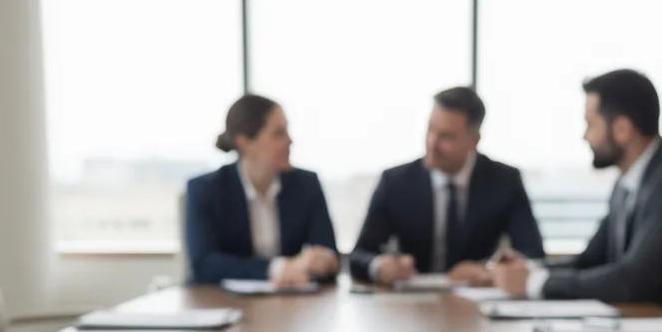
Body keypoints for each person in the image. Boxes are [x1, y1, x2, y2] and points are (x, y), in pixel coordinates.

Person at [490, 69, 662, 328]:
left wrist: (534, 282)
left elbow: (631, 280)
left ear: (622, 129)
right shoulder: (628, 183)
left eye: (590, 124)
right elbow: (590, 261)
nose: (585, 136)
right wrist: (525, 269)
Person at [348, 87, 545, 286]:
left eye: (446, 136)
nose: (432, 143)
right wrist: (380, 266)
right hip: (412, 298)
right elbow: (359, 256)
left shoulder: (505, 181)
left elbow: (533, 253)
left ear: (474, 141)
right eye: (430, 129)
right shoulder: (395, 182)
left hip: (476, 297)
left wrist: (488, 269)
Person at [185, 94, 340, 286]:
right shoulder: (206, 189)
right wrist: (277, 269)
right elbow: (203, 265)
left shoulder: (306, 185)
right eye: (278, 134)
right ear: (244, 143)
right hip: (223, 300)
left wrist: (321, 261)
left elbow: (328, 251)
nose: (290, 141)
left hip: (291, 300)